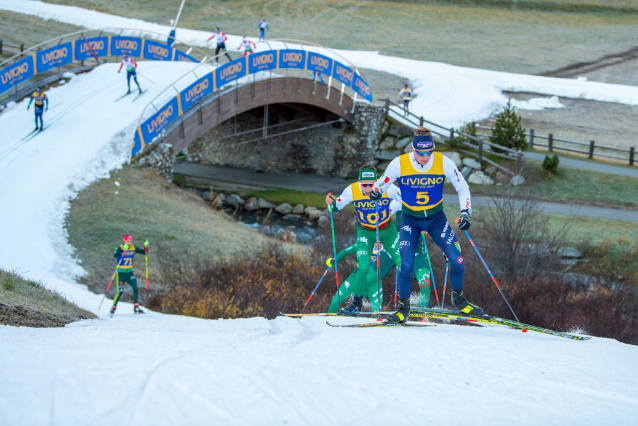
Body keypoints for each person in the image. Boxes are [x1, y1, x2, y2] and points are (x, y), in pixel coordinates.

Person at [370, 126, 481, 324]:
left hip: (436, 219)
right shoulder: (399, 164)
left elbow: (462, 187)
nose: (425, 157)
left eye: (428, 152)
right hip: (410, 220)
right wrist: (376, 191)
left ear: (433, 149)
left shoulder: (443, 162)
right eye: (420, 153)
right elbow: (382, 183)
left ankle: (459, 302)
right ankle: (403, 308)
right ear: (413, 149)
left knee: (457, 260)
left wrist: (466, 213)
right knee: (406, 264)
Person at [326, 200, 432, 314]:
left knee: (425, 282)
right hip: (395, 246)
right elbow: (381, 217)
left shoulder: (426, 204)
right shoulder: (399, 202)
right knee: (367, 280)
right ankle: (355, 306)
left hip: (416, 251)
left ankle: (422, 313)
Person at [325, 164, 402, 316]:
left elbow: (408, 199)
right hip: (365, 232)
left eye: (371, 185)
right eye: (364, 185)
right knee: (364, 266)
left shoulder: (388, 187)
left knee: (402, 262)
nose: (368, 189)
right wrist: (331, 203)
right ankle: (356, 304)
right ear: (359, 182)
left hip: (387, 230)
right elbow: (335, 207)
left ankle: (404, 304)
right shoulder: (352, 190)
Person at [110, 235, 149, 316]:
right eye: (128, 242)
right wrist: (122, 249)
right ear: (124, 241)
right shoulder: (120, 247)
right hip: (121, 273)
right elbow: (115, 255)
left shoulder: (133, 247)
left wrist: (145, 246)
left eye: (130, 241)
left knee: (135, 288)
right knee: (120, 291)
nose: (129, 243)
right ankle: (113, 307)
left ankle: (136, 307)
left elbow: (144, 252)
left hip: (129, 273)